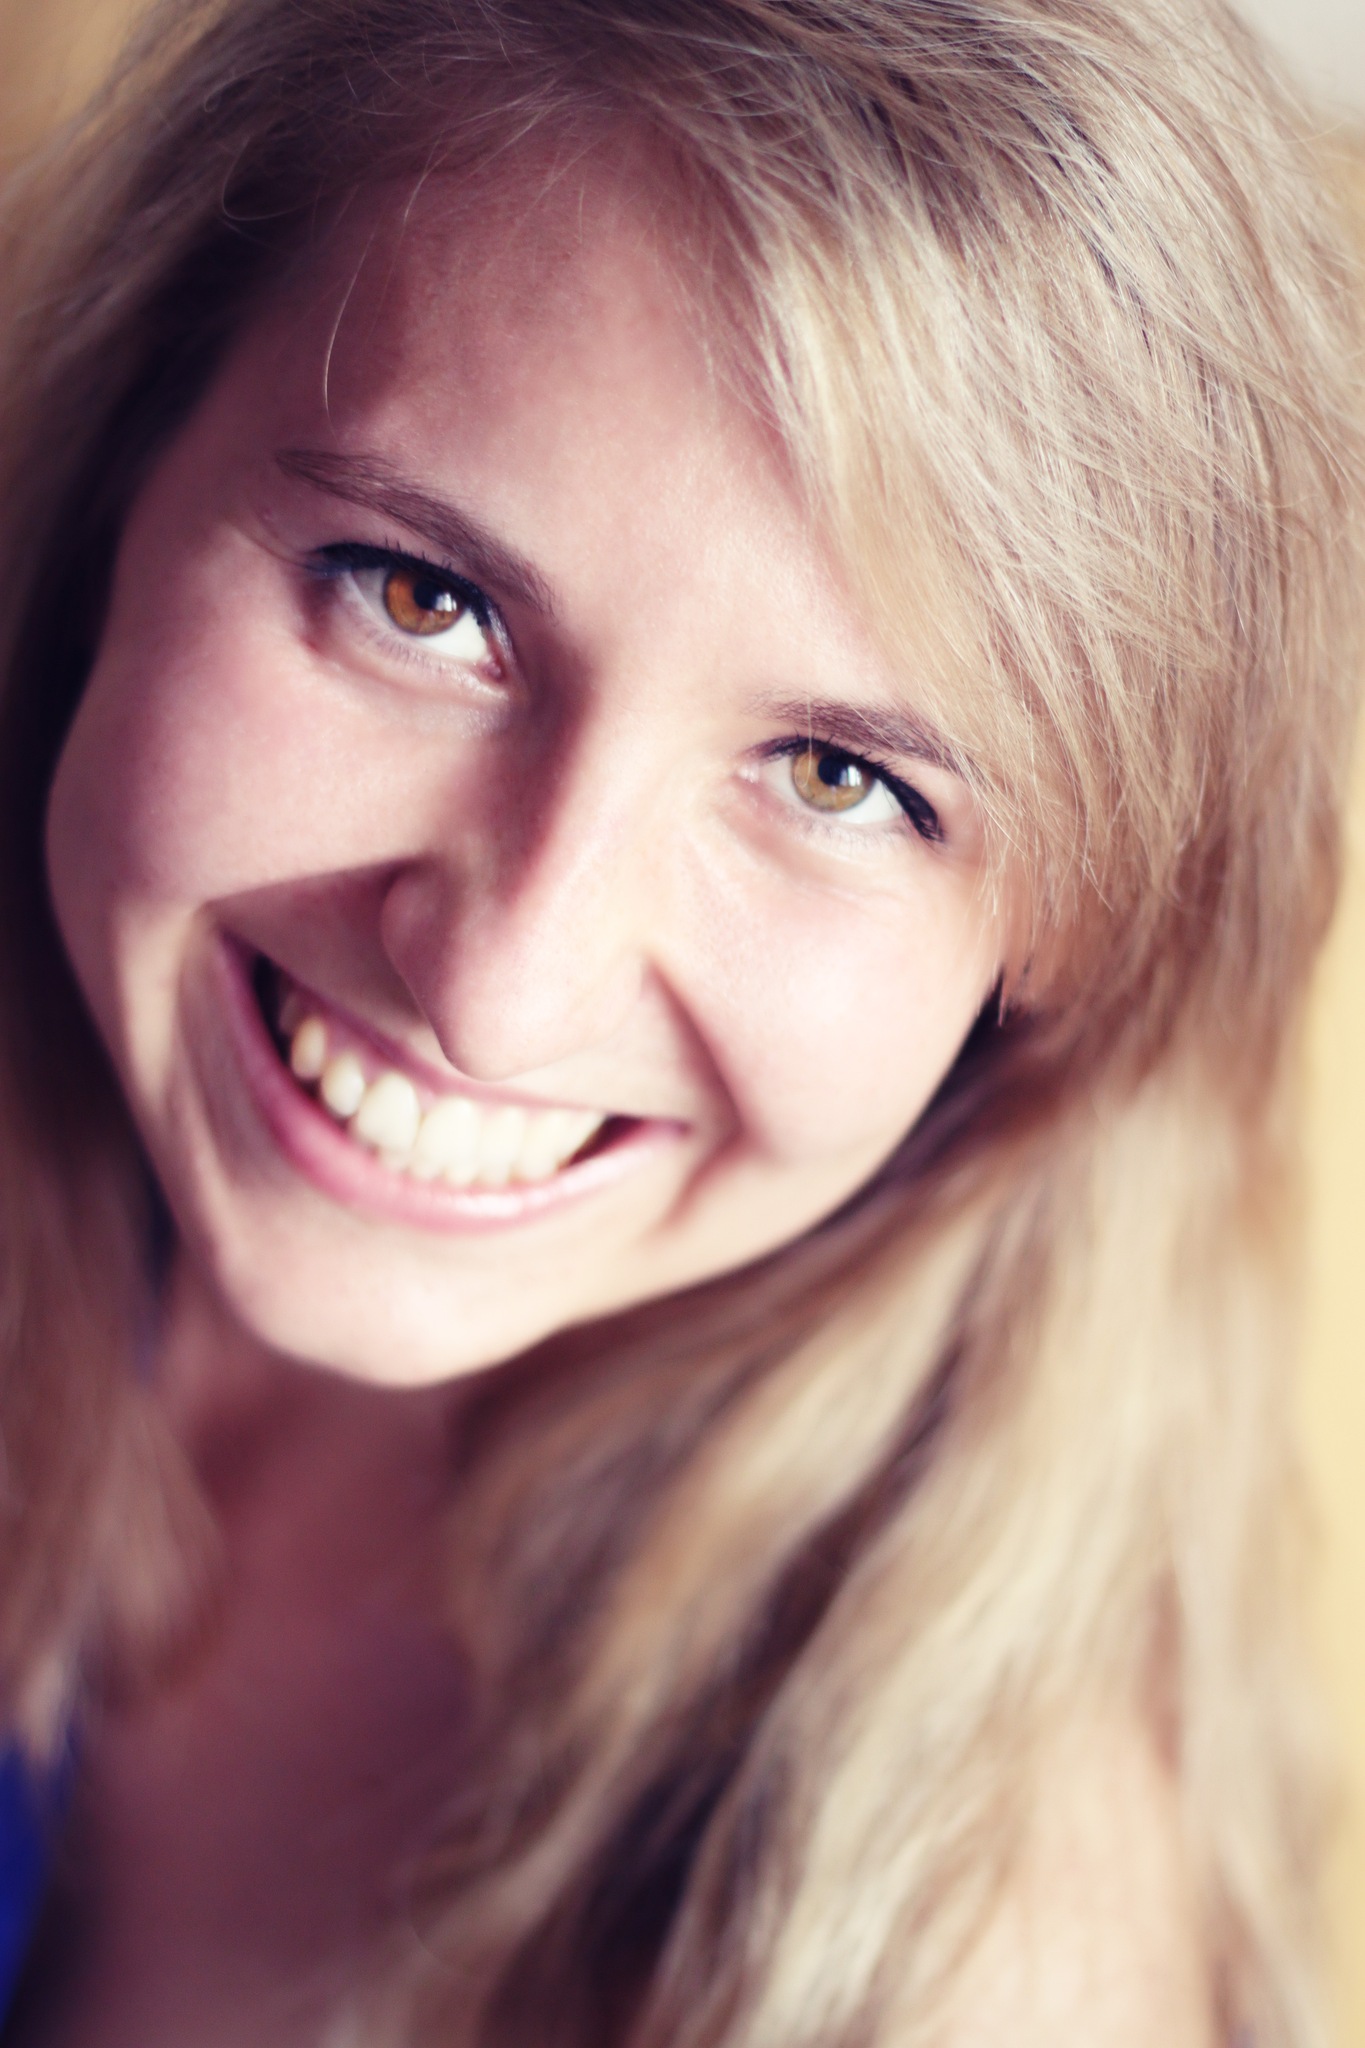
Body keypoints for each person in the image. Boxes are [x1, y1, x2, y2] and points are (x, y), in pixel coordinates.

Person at [0, 0, 1357, 2040]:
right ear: (120, 466)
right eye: (419, 598)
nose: (501, 983)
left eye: (837, 780)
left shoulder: (935, 1971)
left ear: (1068, 953)